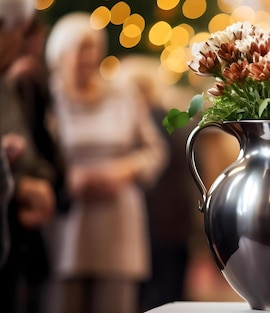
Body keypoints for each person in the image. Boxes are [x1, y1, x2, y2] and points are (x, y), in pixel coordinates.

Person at [45, 13, 167, 313]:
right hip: (68, 218)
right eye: (80, 49)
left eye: (93, 48)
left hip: (118, 218)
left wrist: (123, 171)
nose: (88, 57)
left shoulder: (123, 95)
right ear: (59, 54)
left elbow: (155, 150)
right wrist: (65, 178)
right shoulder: (48, 98)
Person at [116, 55, 196, 311]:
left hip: (149, 223)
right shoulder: (176, 120)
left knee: (149, 299)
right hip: (178, 221)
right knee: (174, 295)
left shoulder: (140, 124)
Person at [1, 0, 57, 311]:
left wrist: (41, 181)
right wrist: (22, 186)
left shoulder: (6, 84)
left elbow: (34, 152)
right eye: (19, 35)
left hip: (15, 236)